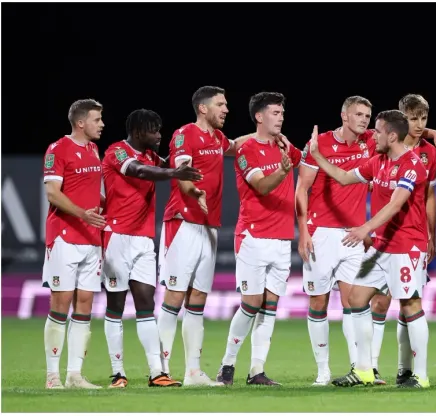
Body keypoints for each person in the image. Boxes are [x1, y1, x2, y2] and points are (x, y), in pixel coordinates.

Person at [295, 96, 436, 385]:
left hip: (406, 245)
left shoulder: (412, 164)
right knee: (356, 298)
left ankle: (422, 375)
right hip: (380, 247)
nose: (372, 135)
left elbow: (395, 204)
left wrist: (364, 228)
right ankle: (364, 369)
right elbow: (341, 177)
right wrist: (317, 157)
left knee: (410, 305)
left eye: (377, 131)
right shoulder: (377, 161)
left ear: (391, 135)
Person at [101, 109, 202, 388]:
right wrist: (173, 171)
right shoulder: (117, 152)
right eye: (153, 130)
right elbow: (139, 171)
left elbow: (167, 163)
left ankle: (157, 372)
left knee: (146, 306)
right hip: (116, 237)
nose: (159, 135)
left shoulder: (152, 157)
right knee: (116, 306)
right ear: (137, 132)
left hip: (144, 241)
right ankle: (118, 372)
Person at [157, 86, 250, 386]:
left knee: (197, 299)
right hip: (182, 223)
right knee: (174, 296)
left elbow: (236, 146)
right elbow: (181, 172)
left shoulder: (218, 138)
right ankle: (161, 370)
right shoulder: (184, 134)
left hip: (209, 226)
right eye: (221, 104)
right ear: (203, 108)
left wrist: (268, 136)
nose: (226, 109)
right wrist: (194, 192)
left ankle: (193, 372)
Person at [216, 92, 302, 386]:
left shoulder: (286, 148)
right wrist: (282, 169)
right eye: (275, 112)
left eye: (282, 112)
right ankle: (227, 364)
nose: (281, 117)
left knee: (270, 306)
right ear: (260, 116)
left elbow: (308, 159)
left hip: (281, 239)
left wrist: (290, 152)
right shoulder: (246, 150)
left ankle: (256, 370)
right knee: (251, 303)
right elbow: (262, 186)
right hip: (253, 235)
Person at [369, 94, 436, 385]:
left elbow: (429, 197)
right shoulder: (382, 145)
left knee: (408, 303)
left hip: (410, 239)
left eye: (424, 119)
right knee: (379, 303)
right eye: (413, 118)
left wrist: (431, 234)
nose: (420, 125)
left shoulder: (428, 153)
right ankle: (370, 367)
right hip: (383, 239)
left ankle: (405, 369)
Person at [42, 99, 107, 389]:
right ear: (81, 123)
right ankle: (52, 375)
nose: (101, 124)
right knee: (61, 303)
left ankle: (74, 375)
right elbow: (52, 194)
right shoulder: (58, 149)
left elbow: (94, 192)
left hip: (92, 240)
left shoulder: (94, 150)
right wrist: (82, 214)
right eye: (97, 119)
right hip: (65, 237)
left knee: (85, 305)